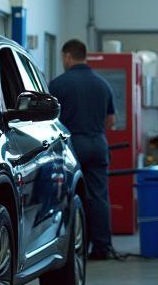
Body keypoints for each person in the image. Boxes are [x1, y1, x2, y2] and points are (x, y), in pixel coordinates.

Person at [49, 39, 116, 260]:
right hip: (98, 143)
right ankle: (102, 247)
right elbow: (111, 120)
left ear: (68, 56)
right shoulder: (102, 84)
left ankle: (74, 245)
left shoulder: (58, 84)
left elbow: (48, 120)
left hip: (72, 146)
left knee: (70, 195)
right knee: (98, 197)